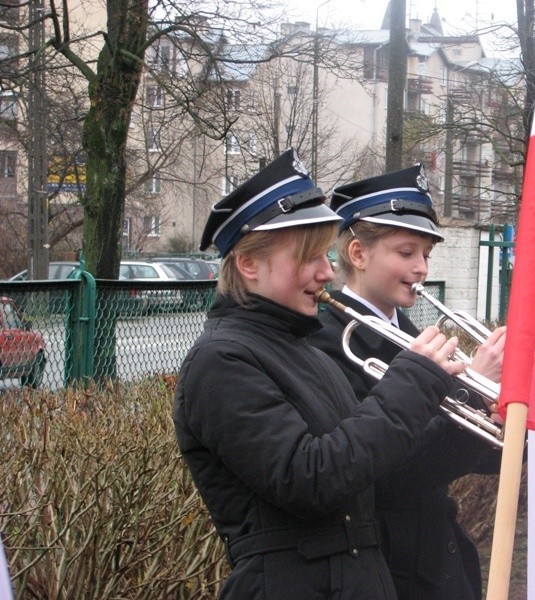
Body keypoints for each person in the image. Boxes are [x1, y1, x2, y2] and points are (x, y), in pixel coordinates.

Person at [172, 149, 469, 600]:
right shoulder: (220, 361)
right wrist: (415, 381)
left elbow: (369, 463)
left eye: (326, 255)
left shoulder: (299, 350)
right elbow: (312, 479)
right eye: (309, 256)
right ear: (249, 265)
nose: (327, 272)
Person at [309, 164, 505, 600]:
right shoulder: (328, 344)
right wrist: (474, 387)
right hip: (392, 565)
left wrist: (508, 419)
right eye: (406, 252)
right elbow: (391, 470)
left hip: (443, 556)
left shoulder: (416, 336)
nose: (420, 267)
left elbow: (465, 455)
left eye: (426, 255)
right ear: (357, 254)